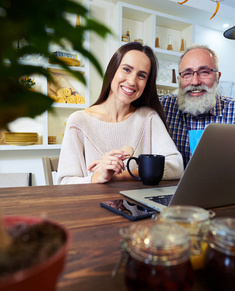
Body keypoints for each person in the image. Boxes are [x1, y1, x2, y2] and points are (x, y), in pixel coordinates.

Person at [56, 42, 183, 184]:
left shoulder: (148, 117)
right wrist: (99, 177)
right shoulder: (78, 122)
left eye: (141, 76)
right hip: (91, 205)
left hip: (138, 206)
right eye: (127, 69)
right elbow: (65, 182)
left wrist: (120, 176)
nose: (132, 81)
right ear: (112, 71)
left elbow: (176, 167)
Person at [160, 45, 235, 168]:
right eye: (187, 74)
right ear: (179, 80)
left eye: (204, 72)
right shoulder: (162, 108)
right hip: (168, 187)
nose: (195, 81)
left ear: (217, 77)